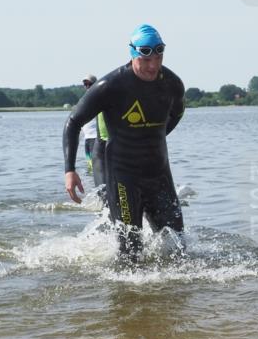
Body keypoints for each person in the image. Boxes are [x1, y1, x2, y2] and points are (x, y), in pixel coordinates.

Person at [63, 24, 185, 259]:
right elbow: (73, 122)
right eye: (145, 59)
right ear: (133, 54)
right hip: (124, 176)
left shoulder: (172, 84)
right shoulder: (111, 86)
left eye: (158, 58)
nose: (153, 66)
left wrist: (154, 137)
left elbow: (177, 114)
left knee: (178, 247)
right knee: (131, 252)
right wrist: (70, 170)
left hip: (159, 174)